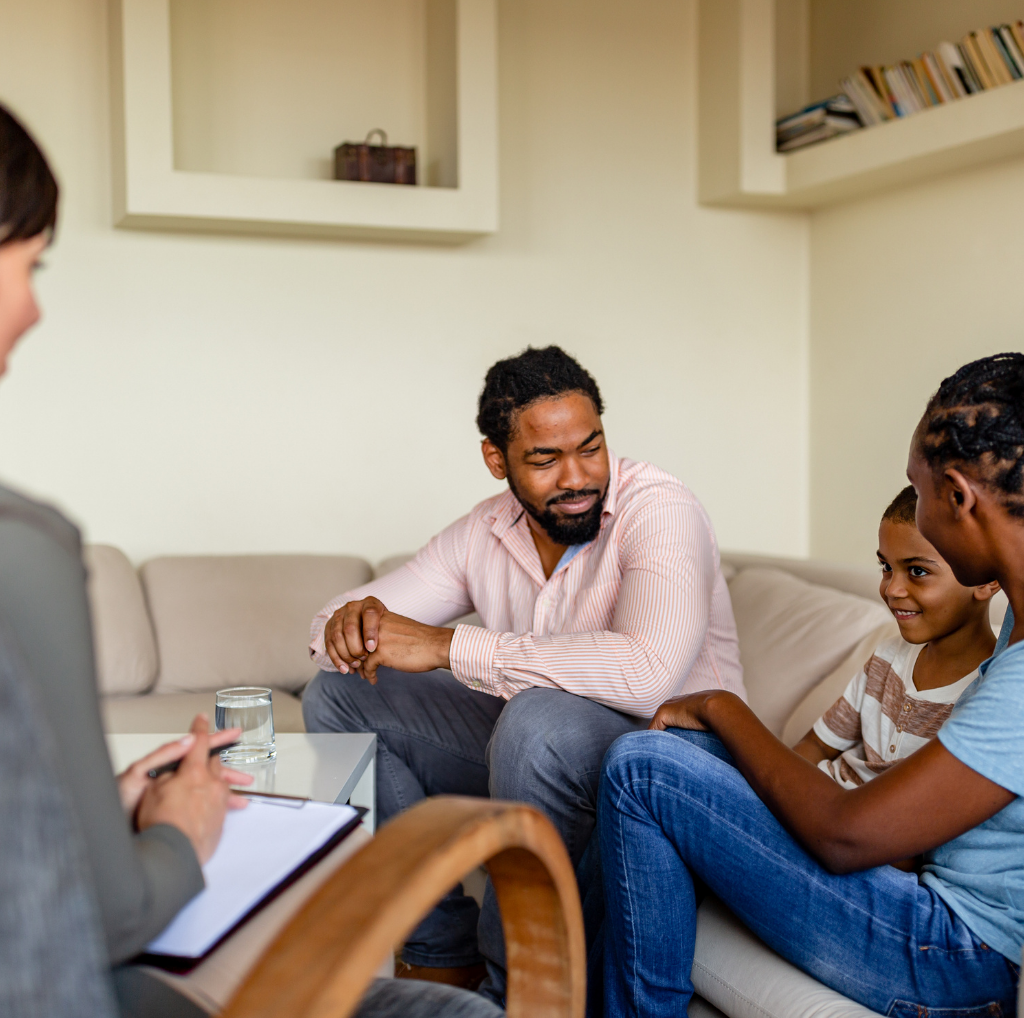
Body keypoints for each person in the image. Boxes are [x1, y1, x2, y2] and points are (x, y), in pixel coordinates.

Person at [0, 102, 502, 1018]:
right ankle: (448, 961)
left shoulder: (651, 521)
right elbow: (113, 916)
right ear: (499, 460)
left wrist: (97, 810)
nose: (33, 307)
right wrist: (180, 833)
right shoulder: (21, 551)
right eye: (28, 265)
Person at [302, 345, 744, 999]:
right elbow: (328, 627)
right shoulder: (486, 530)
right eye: (544, 459)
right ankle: (440, 951)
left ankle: (521, 996)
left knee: (534, 716)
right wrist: (352, 624)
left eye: (590, 447)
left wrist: (451, 646)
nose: (577, 477)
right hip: (540, 753)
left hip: (673, 759)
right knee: (338, 697)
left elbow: (648, 673)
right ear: (496, 459)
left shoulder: (660, 510)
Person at [590, 352, 1024, 1017]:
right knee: (666, 756)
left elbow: (846, 834)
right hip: (929, 914)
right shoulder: (1015, 621)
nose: (920, 513)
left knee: (644, 770)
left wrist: (720, 705)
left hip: (952, 952)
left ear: (960, 498)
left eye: (921, 490)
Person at [793, 483, 998, 803]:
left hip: (855, 834)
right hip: (813, 804)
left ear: (986, 579)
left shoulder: (990, 692)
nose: (892, 589)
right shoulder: (886, 659)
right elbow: (815, 746)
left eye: (917, 570)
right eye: (886, 567)